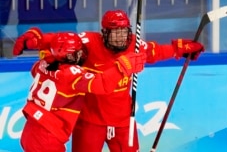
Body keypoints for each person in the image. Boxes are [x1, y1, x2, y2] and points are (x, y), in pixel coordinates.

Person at [13, 9, 205, 152]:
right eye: (115, 32)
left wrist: (180, 48)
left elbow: (157, 51)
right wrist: (38, 40)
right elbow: (61, 40)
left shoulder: (134, 44)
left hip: (123, 121)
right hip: (90, 120)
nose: (121, 37)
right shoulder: (87, 43)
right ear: (104, 32)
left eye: (124, 31)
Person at [19, 31, 146, 152]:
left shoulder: (43, 63)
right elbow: (101, 84)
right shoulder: (70, 74)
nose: (81, 54)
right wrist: (122, 67)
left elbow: (35, 69)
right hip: (46, 138)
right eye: (78, 52)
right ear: (68, 56)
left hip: (30, 130)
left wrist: (45, 46)